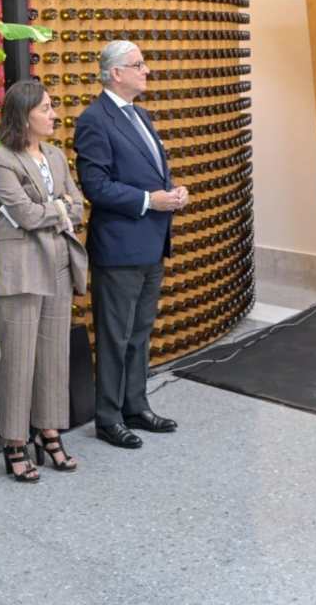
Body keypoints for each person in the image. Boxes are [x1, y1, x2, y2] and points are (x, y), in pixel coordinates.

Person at [74, 41, 187, 449]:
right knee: (114, 335)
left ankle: (135, 405)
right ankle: (108, 416)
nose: (147, 70)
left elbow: (149, 173)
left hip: (151, 242)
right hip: (119, 247)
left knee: (140, 332)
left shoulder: (141, 115)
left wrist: (172, 192)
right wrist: (148, 201)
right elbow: (96, 186)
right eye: (138, 64)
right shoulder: (94, 120)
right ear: (115, 73)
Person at [0, 79, 89, 481]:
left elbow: (78, 205)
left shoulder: (56, 156)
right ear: (23, 115)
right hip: (20, 270)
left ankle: (50, 433)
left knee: (53, 356)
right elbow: (27, 216)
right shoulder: (2, 159)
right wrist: (58, 208)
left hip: (57, 264)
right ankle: (15, 442)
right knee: (19, 360)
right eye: (45, 108)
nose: (53, 115)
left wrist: (57, 208)